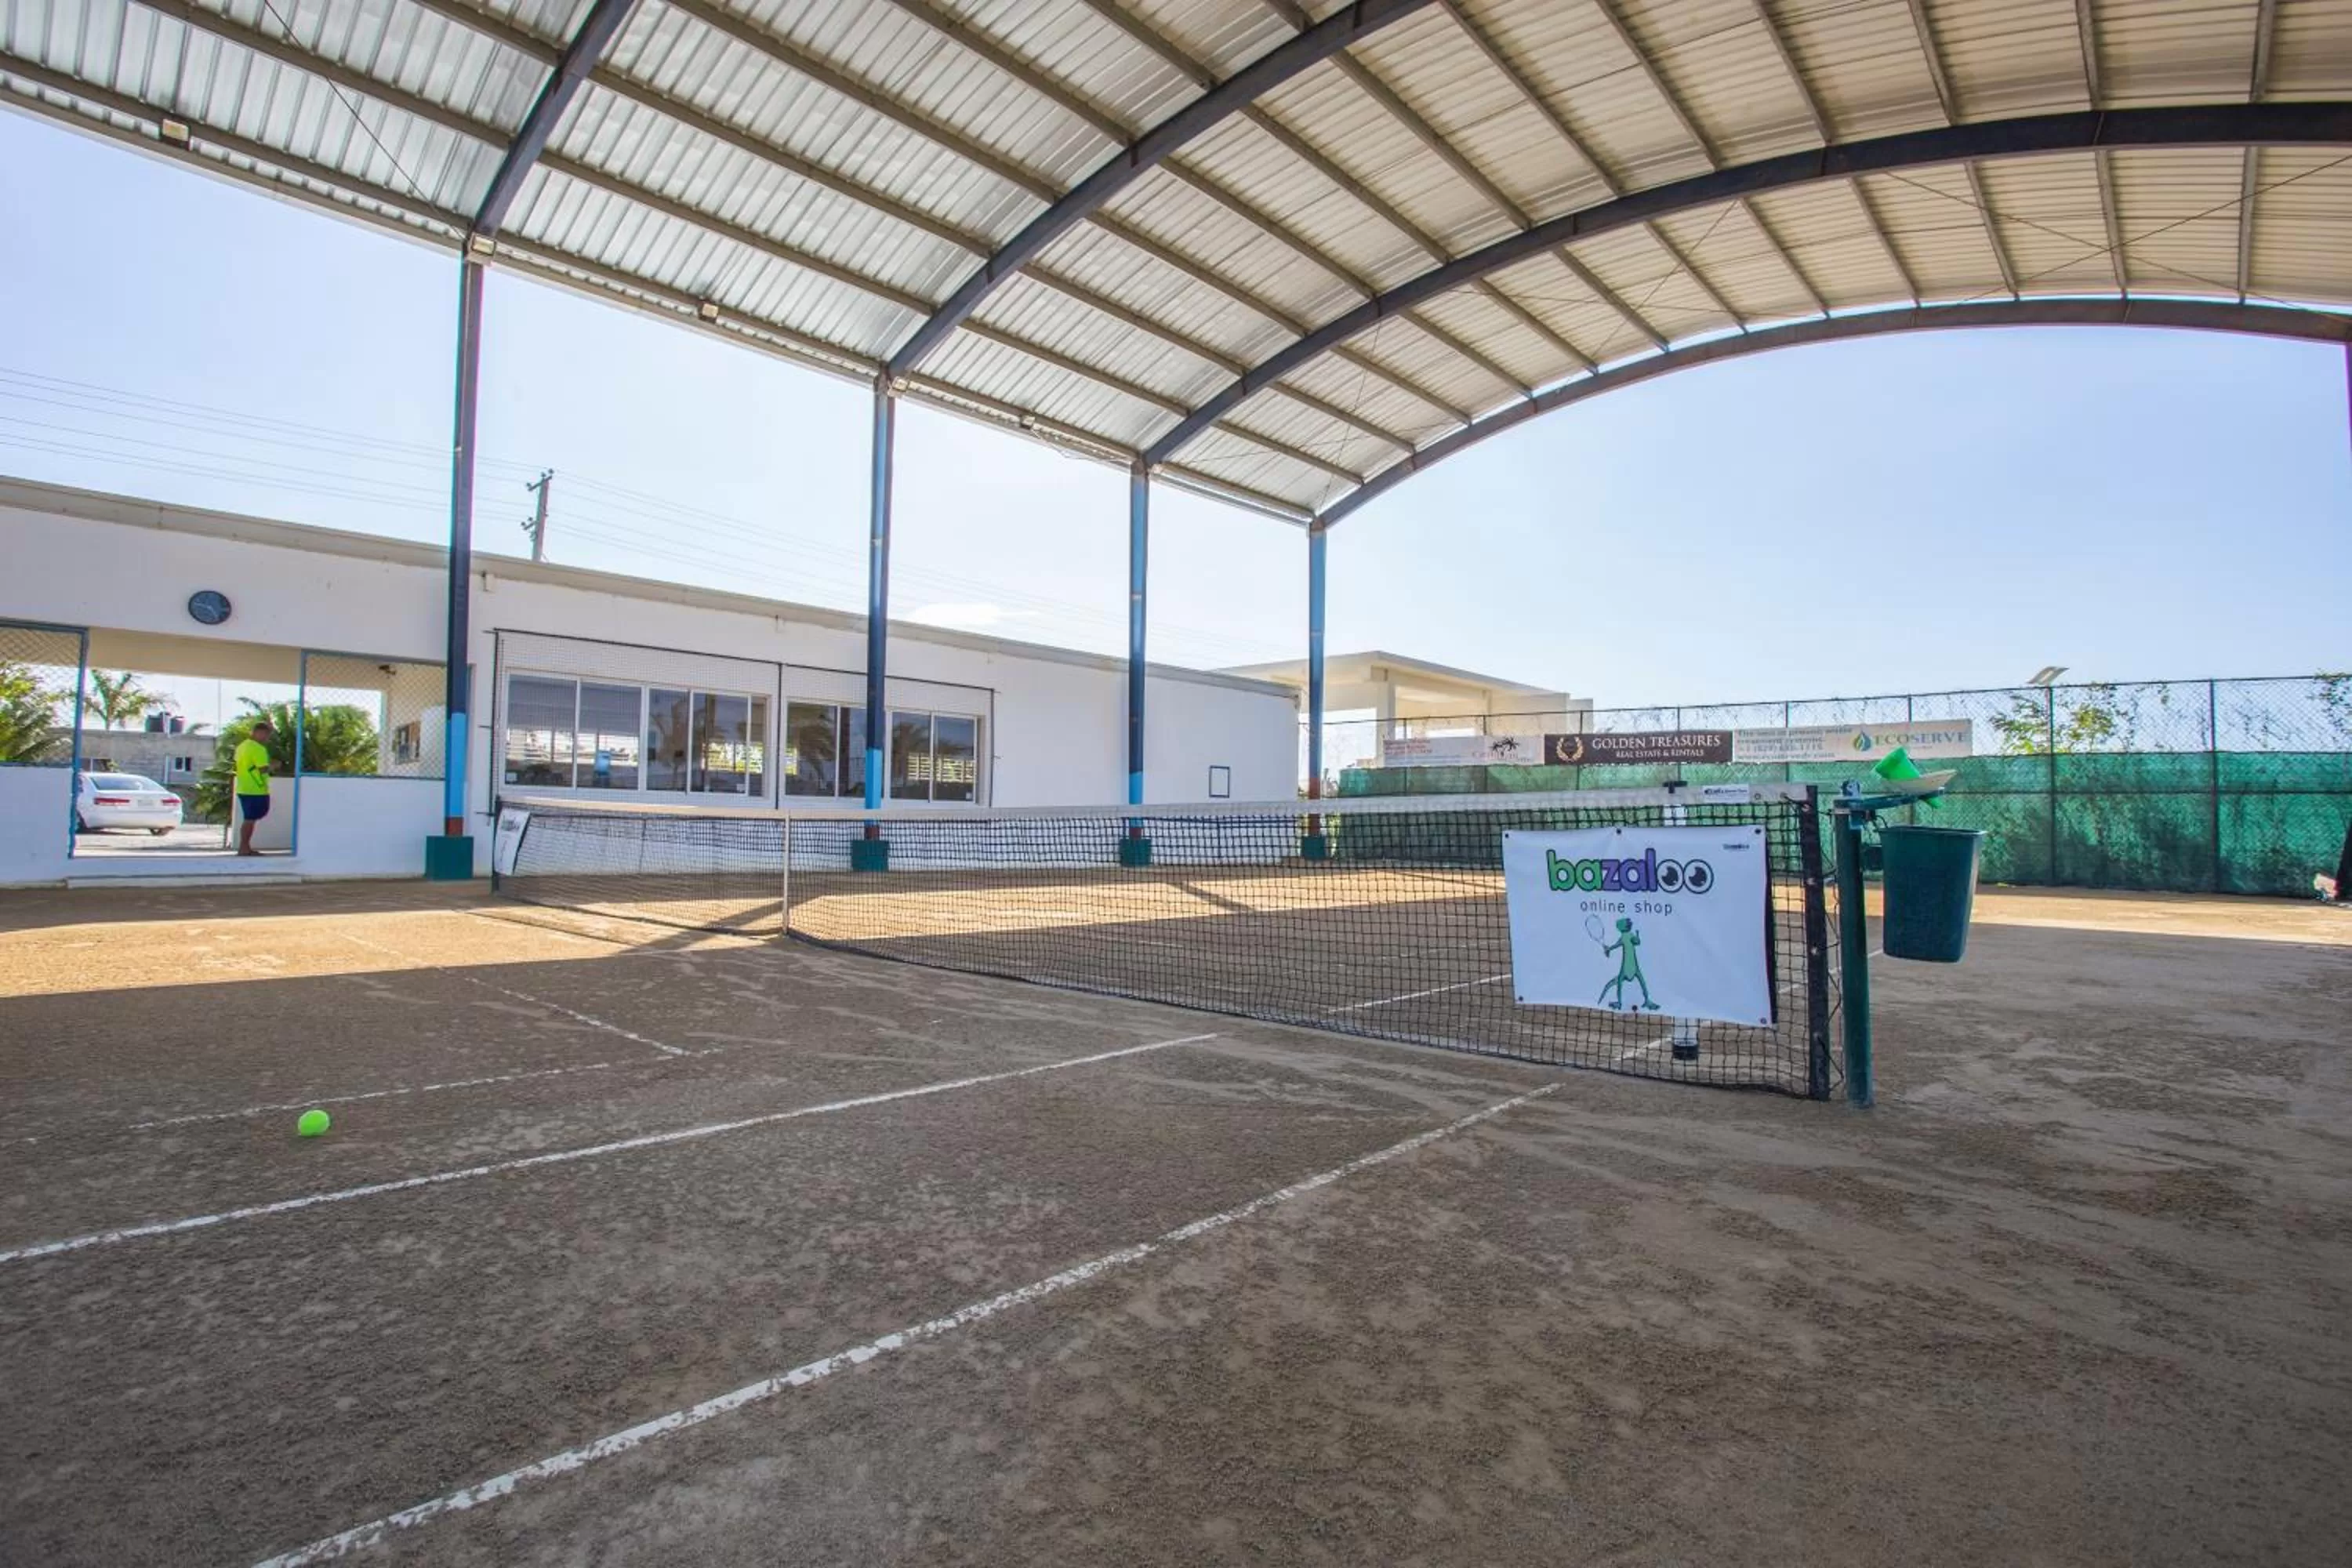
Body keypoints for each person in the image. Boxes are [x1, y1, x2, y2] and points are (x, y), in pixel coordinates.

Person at [234, 720, 274, 855]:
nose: (267, 739)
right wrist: (275, 766)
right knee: (250, 819)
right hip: (255, 789)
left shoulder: (241, 747)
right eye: (266, 735)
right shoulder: (258, 749)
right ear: (259, 732)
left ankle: (245, 847)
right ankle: (244, 848)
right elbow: (263, 769)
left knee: (250, 818)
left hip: (243, 787)